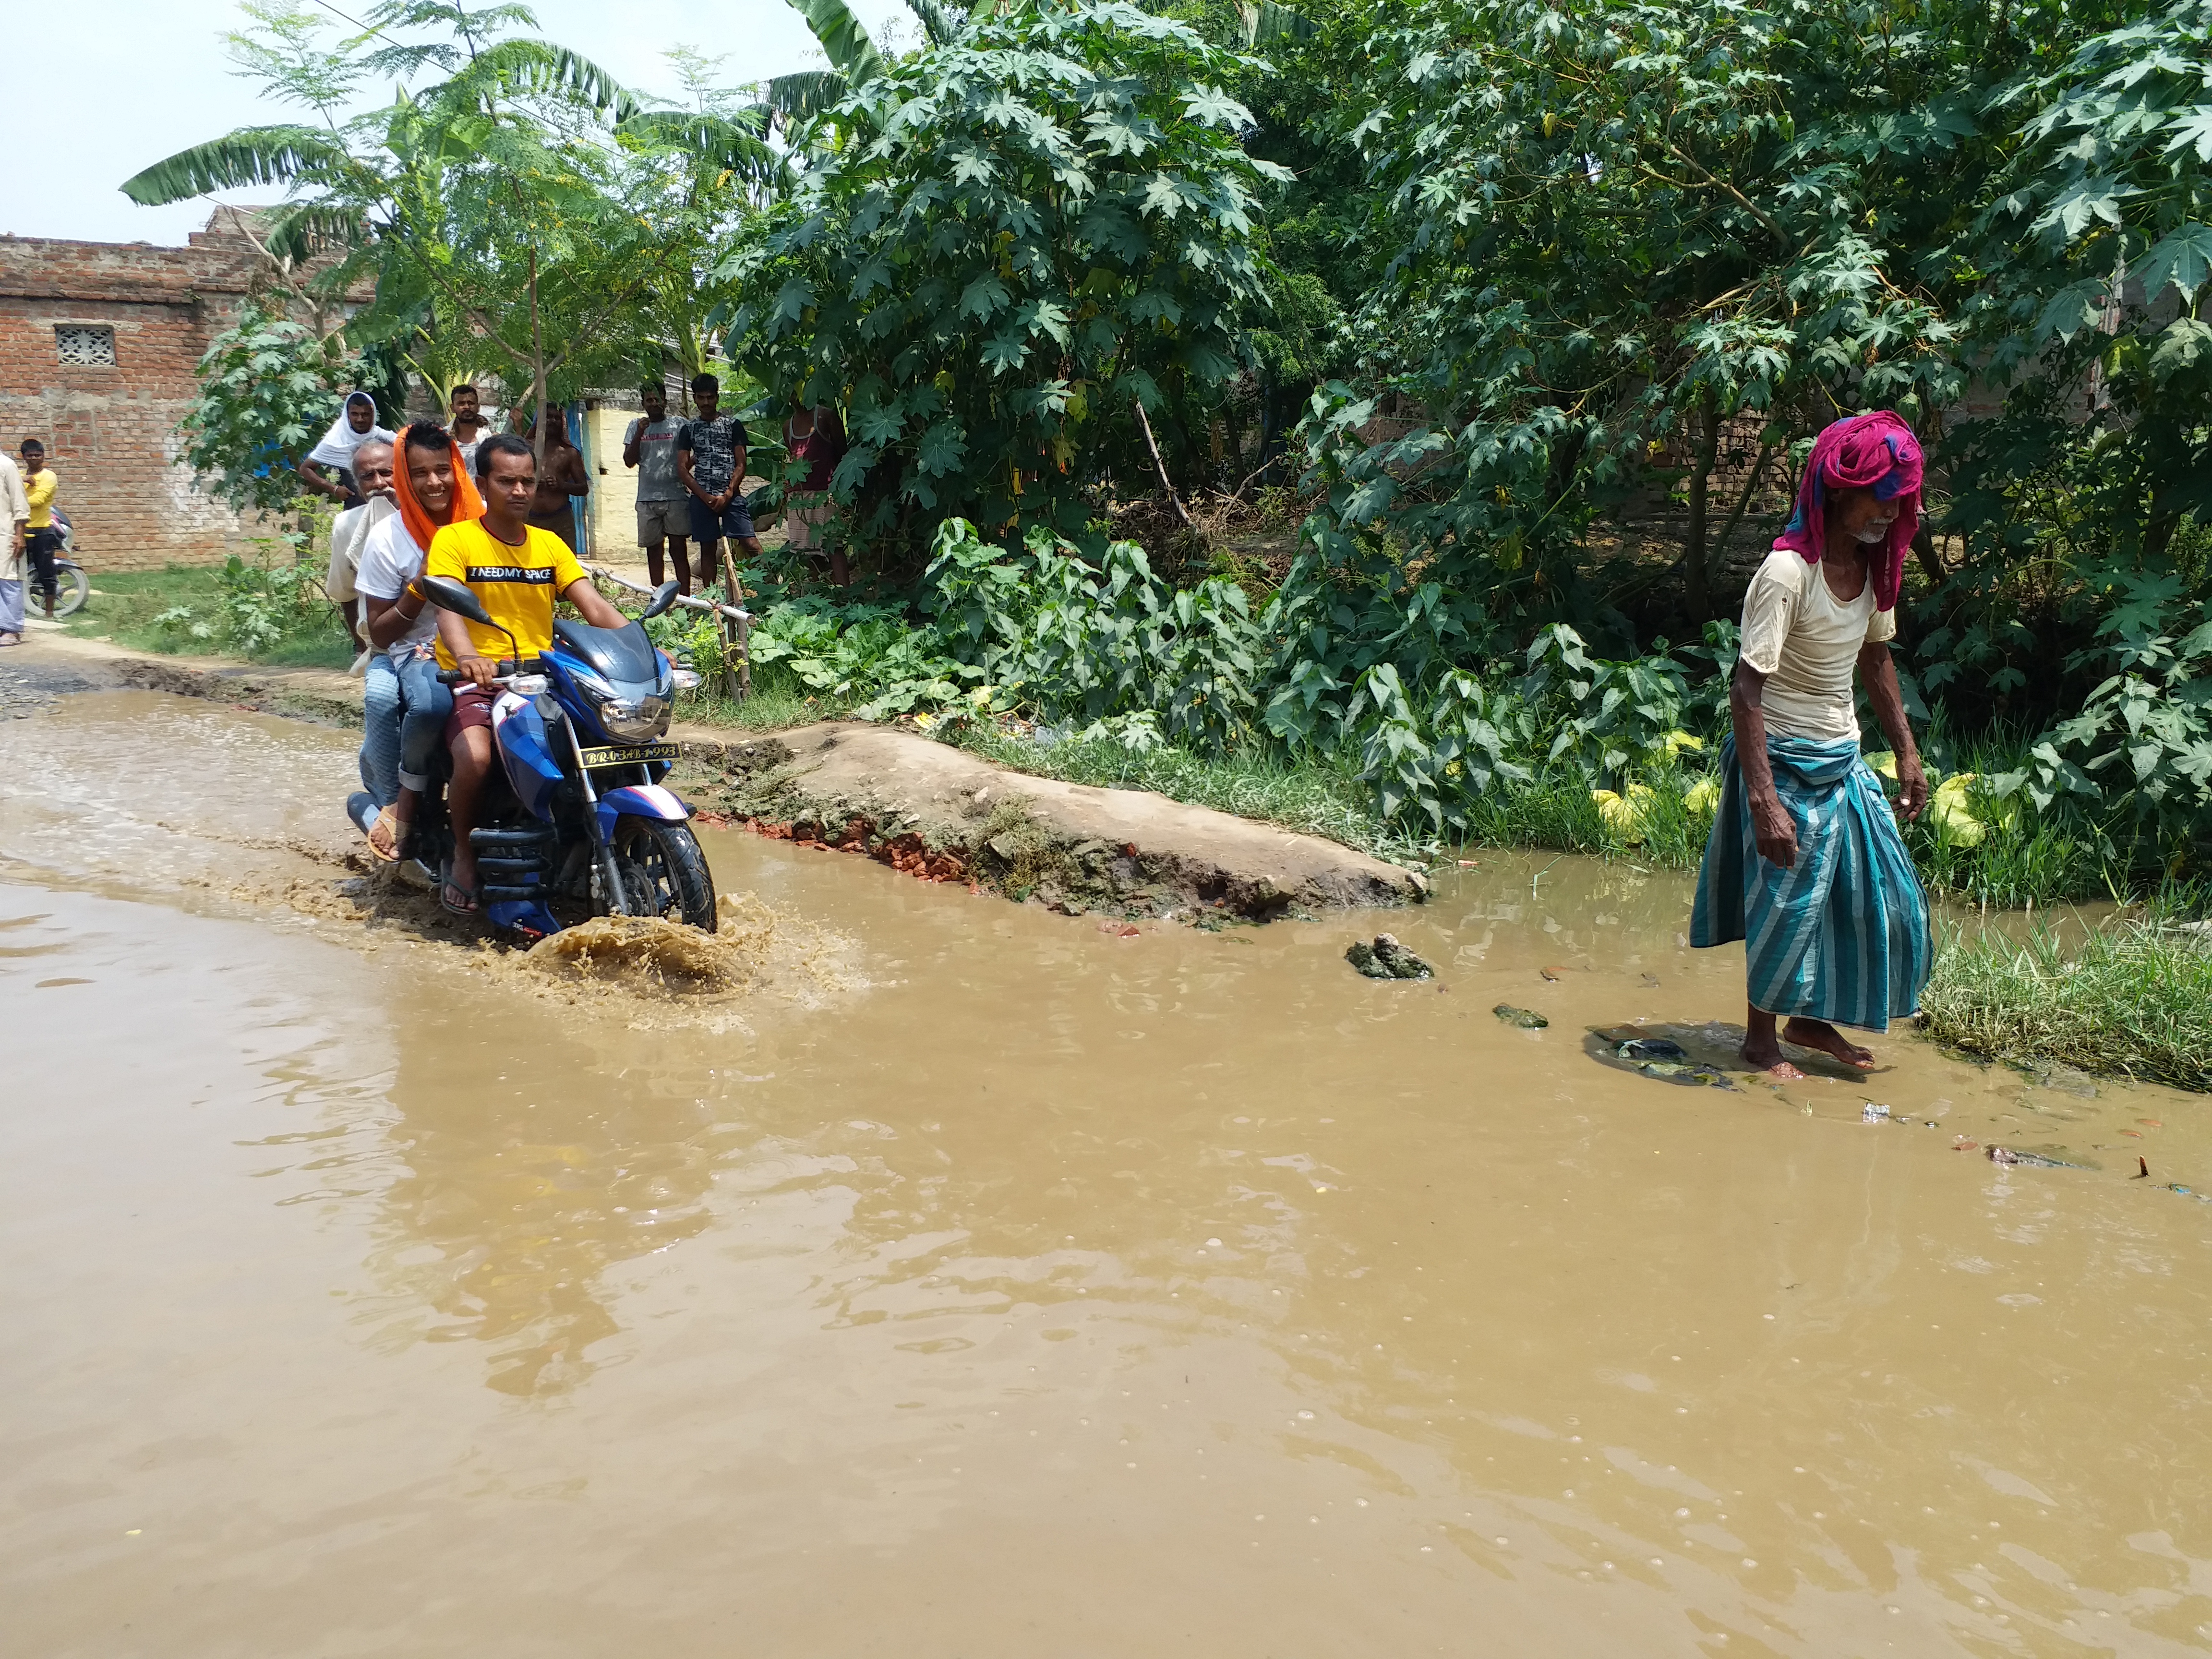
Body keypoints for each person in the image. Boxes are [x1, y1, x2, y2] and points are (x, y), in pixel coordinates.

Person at [1691, 411, 1934, 1080]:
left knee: (1884, 897)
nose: (1889, 513)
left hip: (1842, 756)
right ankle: (1760, 1042)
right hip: (1782, 755)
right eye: (1878, 499)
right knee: (1786, 903)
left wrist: (1906, 754)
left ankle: (1807, 1017)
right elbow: (1746, 691)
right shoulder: (1785, 574)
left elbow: (1876, 657)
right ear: (1836, 490)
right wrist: (1764, 800)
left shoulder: (1871, 567)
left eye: (1898, 502)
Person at [427, 434, 631, 915]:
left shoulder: (550, 545)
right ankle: (463, 857)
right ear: (483, 484)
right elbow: (447, 609)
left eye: (527, 481)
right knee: (475, 758)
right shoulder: (455, 540)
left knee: (608, 739)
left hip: (545, 678)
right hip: (482, 678)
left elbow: (594, 606)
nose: (519, 491)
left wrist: (638, 644)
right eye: (507, 481)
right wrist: (467, 657)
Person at [354, 423, 486, 862]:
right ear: (403, 478)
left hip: (492, 643)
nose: (433, 483)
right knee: (427, 704)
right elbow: (381, 632)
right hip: (417, 647)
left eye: (441, 470)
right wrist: (419, 585)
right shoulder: (388, 538)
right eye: (419, 473)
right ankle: (401, 802)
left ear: (457, 469)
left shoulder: (484, 518)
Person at [677, 373, 762, 590]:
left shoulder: (733, 425)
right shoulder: (689, 429)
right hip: (702, 498)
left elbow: (741, 464)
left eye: (710, 397)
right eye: (701, 398)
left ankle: (768, 588)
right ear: (695, 399)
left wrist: (728, 494)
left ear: (717, 398)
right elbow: (682, 469)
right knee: (707, 549)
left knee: (750, 543)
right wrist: (704, 496)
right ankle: (711, 598)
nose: (706, 403)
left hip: (730, 496)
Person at [324, 436, 396, 661]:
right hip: (382, 646)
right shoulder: (348, 526)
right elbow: (346, 593)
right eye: (368, 476)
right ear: (357, 484)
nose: (379, 483)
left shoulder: (433, 517)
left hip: (435, 644)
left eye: (386, 473)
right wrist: (362, 647)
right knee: (380, 697)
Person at [625, 382, 692, 593]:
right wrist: (640, 433)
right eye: (649, 400)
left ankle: (686, 599)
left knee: (679, 550)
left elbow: (689, 456)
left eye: (657, 399)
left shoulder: (680, 425)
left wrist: (683, 470)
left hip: (676, 496)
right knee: (654, 552)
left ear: (665, 400)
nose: (654, 404)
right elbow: (629, 461)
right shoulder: (635, 425)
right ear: (643, 403)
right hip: (647, 499)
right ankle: (658, 599)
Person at [782, 400, 849, 586]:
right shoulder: (788, 426)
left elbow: (841, 451)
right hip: (799, 495)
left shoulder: (825, 417)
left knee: (834, 545)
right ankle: (819, 592)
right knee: (808, 549)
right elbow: (795, 459)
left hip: (825, 492)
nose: (794, 396)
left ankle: (846, 594)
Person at [297, 391, 394, 507]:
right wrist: (334, 488)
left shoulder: (386, 439)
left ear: (373, 415)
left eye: (365, 414)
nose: (360, 419)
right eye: (355, 414)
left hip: (389, 506)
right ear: (347, 415)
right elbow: (305, 468)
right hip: (355, 508)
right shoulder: (336, 440)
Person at [19, 440, 59, 621]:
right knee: (14, 572)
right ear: (24, 457)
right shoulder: (18, 475)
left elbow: (38, 501)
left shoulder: (49, 476)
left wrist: (14, 499)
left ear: (44, 455)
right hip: (20, 530)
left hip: (42, 530)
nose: (35, 459)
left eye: (38, 455)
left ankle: (49, 611)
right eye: (30, 456)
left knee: (46, 572)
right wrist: (21, 480)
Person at [0, 443, 26, 648]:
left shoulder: (6, 465)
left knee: (8, 579)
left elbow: (20, 503)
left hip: (5, 533)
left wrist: (20, 535)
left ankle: (11, 629)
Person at [448, 383, 490, 475]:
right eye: (461, 403)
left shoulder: (489, 439)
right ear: (453, 408)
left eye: (471, 403)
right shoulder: (444, 438)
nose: (467, 407)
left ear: (478, 407)